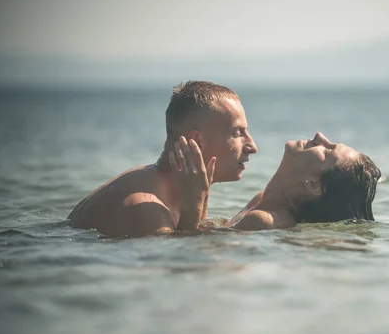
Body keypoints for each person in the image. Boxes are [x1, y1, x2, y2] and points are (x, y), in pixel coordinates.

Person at [67, 81, 258, 237]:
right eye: (237, 133)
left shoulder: (170, 191)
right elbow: (183, 267)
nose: (252, 147)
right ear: (196, 141)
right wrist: (194, 207)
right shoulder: (147, 209)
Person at [225, 132, 381, 230]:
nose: (319, 137)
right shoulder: (261, 200)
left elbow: (209, 250)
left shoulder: (262, 220)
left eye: (327, 151)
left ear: (313, 184)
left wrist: (200, 195)